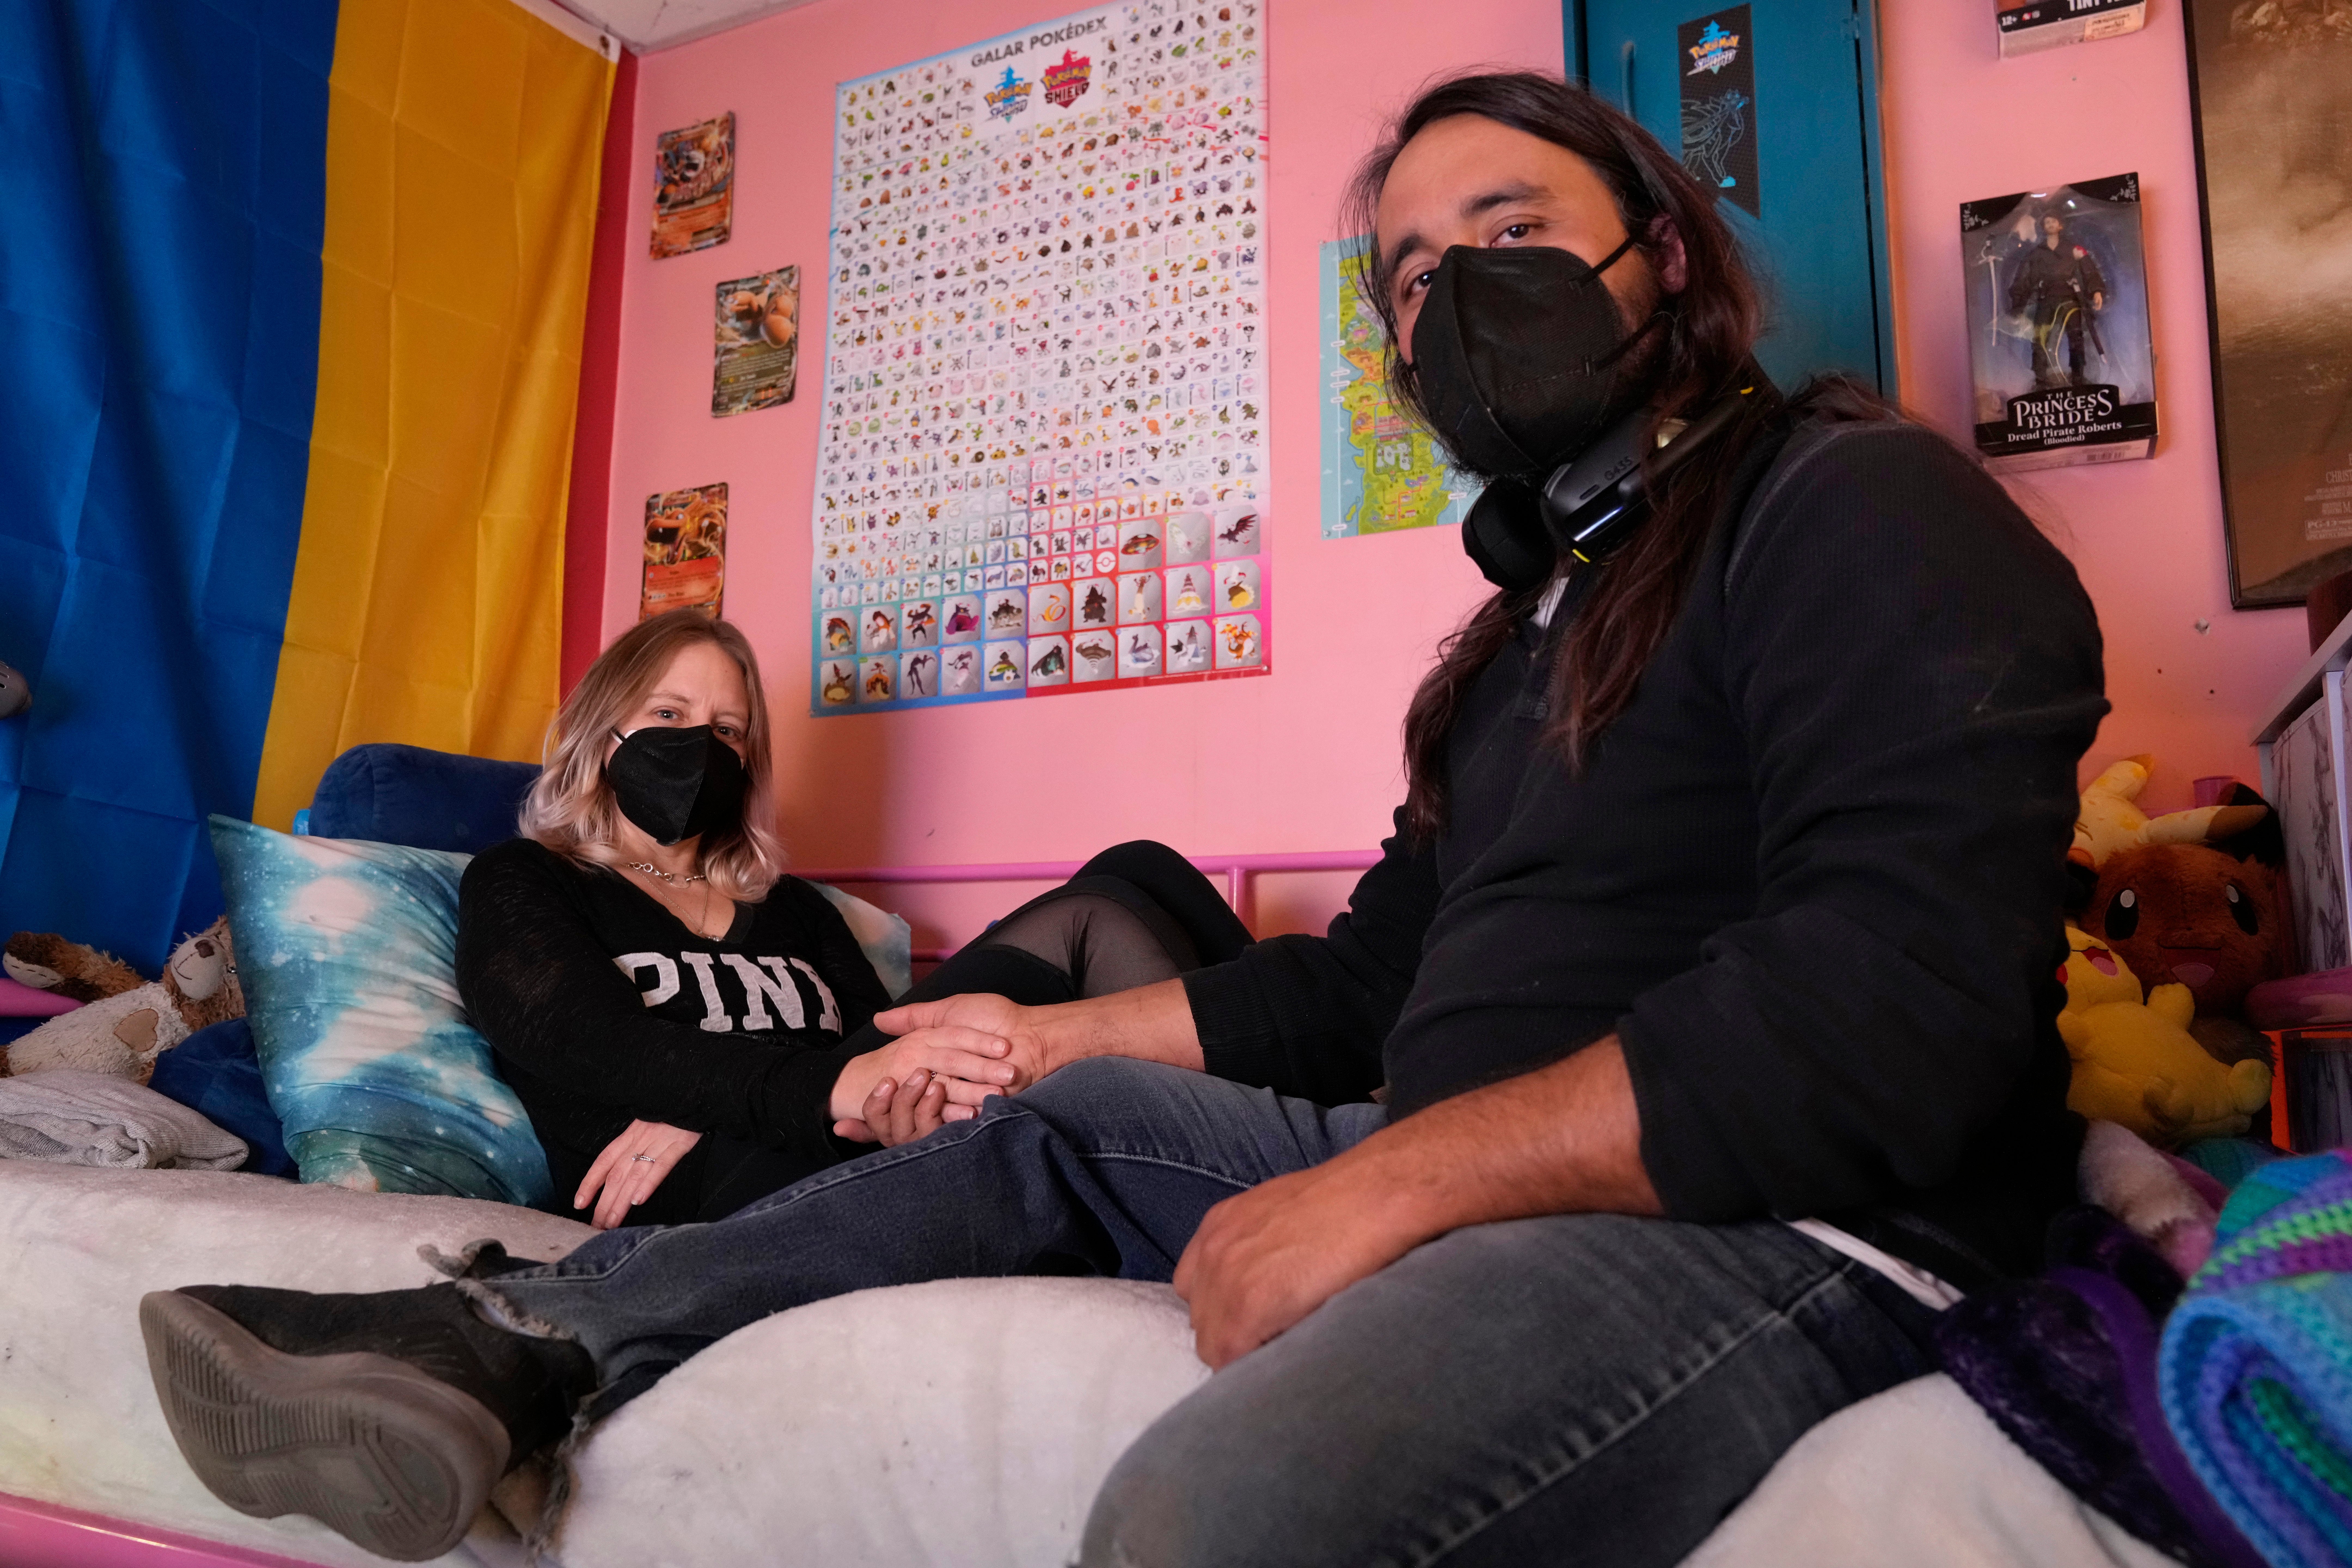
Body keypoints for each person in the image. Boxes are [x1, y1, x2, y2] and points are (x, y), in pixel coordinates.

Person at [139, 71, 2106, 1567]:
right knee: (1059, 1116)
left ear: (1656, 255)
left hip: (1772, 1210)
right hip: (1465, 1138)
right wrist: (1043, 1038)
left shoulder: (1848, 502)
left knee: (1194, 1515)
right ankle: (520, 1339)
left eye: (1501, 226)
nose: (1450, 297)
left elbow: (1893, 996)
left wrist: (1394, 1184)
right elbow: (1358, 987)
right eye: (1408, 277)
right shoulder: (1519, 644)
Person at [456, 609, 1252, 1228]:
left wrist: (769, 1095)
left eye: (729, 731)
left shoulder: (793, 907)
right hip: (682, 1192)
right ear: (603, 738)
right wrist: (754, 1103)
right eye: (668, 716)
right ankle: (1260, 1165)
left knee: (1146, 870)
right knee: (1092, 917)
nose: (702, 747)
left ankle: (1275, 1148)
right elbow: (584, 1041)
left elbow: (879, 1039)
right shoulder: (525, 879)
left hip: (831, 1130)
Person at [2008, 211, 2108, 389]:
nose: (2051, 225)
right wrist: (2018, 304)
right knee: (2039, 339)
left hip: (2071, 299)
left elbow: (2090, 270)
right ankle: (2041, 380)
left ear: (2061, 226)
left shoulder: (2074, 249)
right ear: (2044, 228)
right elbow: (2023, 278)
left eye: (2054, 221)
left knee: (2076, 338)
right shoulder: (2037, 254)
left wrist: (2097, 291)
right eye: (2047, 223)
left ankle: (2078, 377)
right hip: (2046, 299)